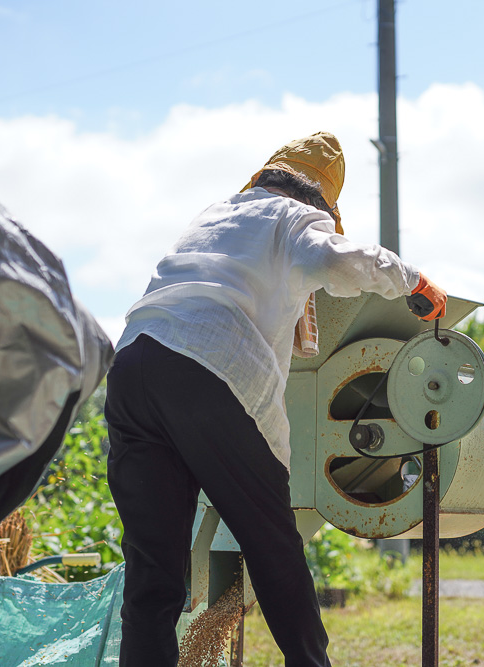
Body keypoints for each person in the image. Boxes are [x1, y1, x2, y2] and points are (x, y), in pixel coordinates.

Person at [104, 131, 447, 666]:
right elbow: (337, 260)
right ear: (320, 202)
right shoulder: (293, 218)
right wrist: (411, 280)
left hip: (133, 363)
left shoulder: (217, 215)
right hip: (209, 366)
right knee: (273, 547)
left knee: (153, 576)